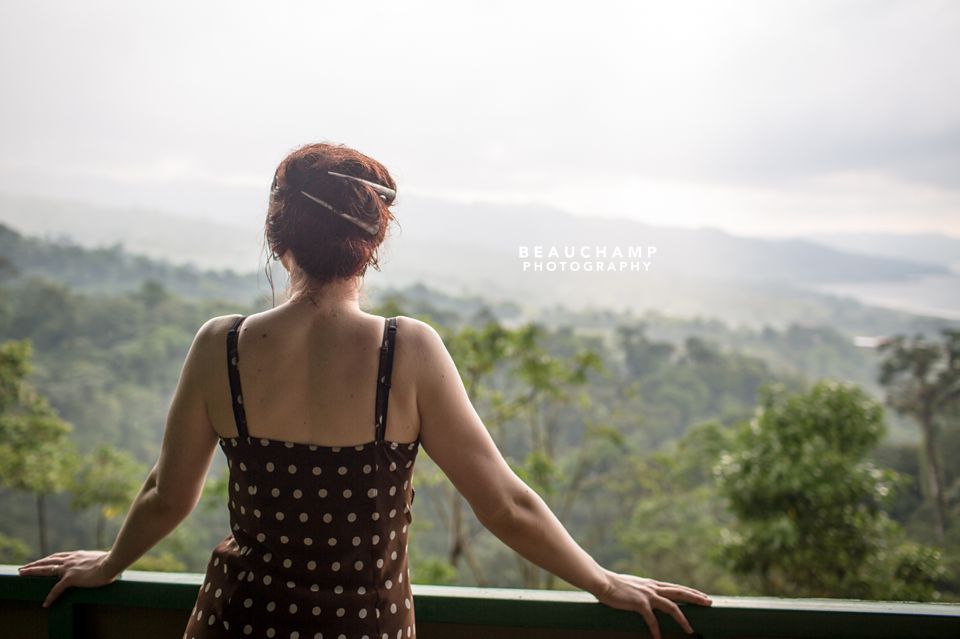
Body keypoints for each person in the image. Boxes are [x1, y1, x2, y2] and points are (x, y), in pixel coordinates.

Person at [18, 141, 712, 639]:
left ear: (276, 235)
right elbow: (505, 500)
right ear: (372, 243)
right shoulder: (406, 351)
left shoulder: (220, 345)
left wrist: (111, 562)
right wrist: (601, 579)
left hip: (237, 619)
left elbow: (167, 495)